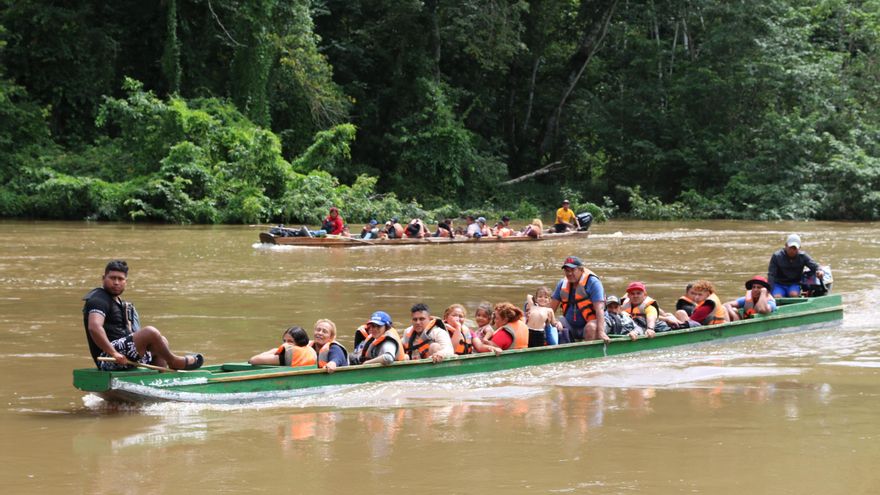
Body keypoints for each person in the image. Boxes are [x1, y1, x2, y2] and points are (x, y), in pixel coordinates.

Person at [82, 260, 203, 371]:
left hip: (126, 356)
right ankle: (174, 362)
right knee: (150, 332)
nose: (116, 282)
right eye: (112, 278)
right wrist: (114, 353)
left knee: (161, 342)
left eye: (120, 279)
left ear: (126, 282)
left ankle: (160, 381)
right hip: (108, 359)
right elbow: (94, 327)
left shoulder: (120, 303)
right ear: (103, 278)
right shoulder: (98, 299)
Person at [549, 256, 609, 343]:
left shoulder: (593, 283)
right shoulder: (562, 284)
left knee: (591, 328)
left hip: (594, 324)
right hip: (571, 325)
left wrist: (601, 332)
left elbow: (599, 309)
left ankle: (589, 354)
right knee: (557, 324)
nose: (569, 273)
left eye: (573, 270)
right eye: (567, 270)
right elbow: (550, 309)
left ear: (581, 270)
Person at [249, 326, 317, 367]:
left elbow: (252, 360)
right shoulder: (311, 351)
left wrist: (274, 350)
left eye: (290, 341)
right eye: (285, 341)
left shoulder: (287, 354)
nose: (285, 344)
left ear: (299, 342)